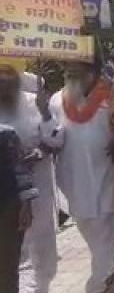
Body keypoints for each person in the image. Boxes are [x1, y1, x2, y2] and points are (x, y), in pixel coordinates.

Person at [45, 60, 114, 293]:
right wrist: (43, 114)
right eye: (66, 68)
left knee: (104, 229)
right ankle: (113, 265)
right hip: (74, 180)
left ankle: (96, 284)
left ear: (93, 70)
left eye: (76, 66)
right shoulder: (56, 99)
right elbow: (54, 137)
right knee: (89, 230)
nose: (68, 70)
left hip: (110, 174)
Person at [0, 58, 60, 293]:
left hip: (38, 184)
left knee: (42, 242)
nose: (3, 86)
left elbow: (56, 140)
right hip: (5, 191)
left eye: (7, 81)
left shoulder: (35, 103)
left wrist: (40, 150)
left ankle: (41, 287)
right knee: (10, 251)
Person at [0, 124, 36, 293]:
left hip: (7, 208)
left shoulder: (5, 133)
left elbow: (19, 169)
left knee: (7, 268)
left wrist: (26, 204)